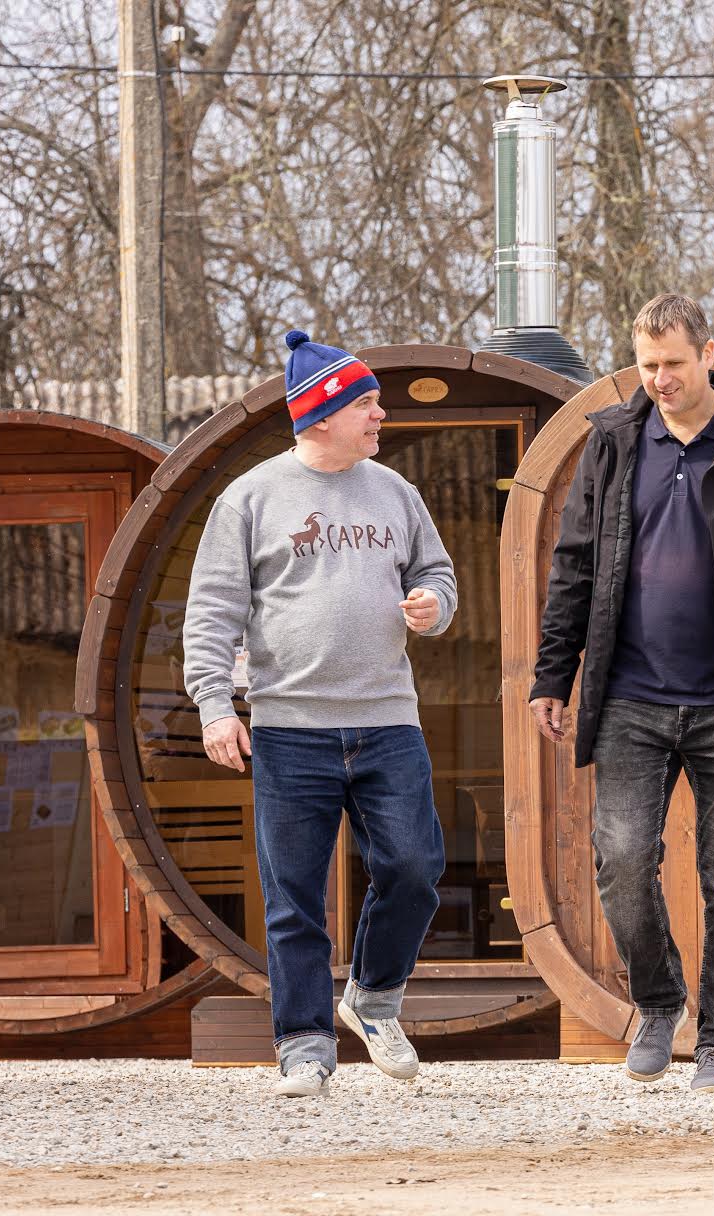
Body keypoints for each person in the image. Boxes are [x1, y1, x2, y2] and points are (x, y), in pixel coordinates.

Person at [528, 293, 714, 1092]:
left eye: (672, 363)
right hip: (629, 695)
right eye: (646, 364)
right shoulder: (614, 443)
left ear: (708, 353)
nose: (658, 379)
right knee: (622, 861)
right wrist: (551, 675)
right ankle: (660, 1001)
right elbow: (574, 566)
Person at [183, 331, 458, 1098]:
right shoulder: (251, 498)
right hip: (287, 729)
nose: (381, 416)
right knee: (293, 893)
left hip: (387, 720)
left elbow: (435, 572)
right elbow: (212, 611)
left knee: (414, 867)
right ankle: (304, 1044)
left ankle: (372, 996)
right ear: (325, 413)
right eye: (368, 403)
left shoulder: (397, 493)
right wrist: (215, 704)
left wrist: (435, 606)